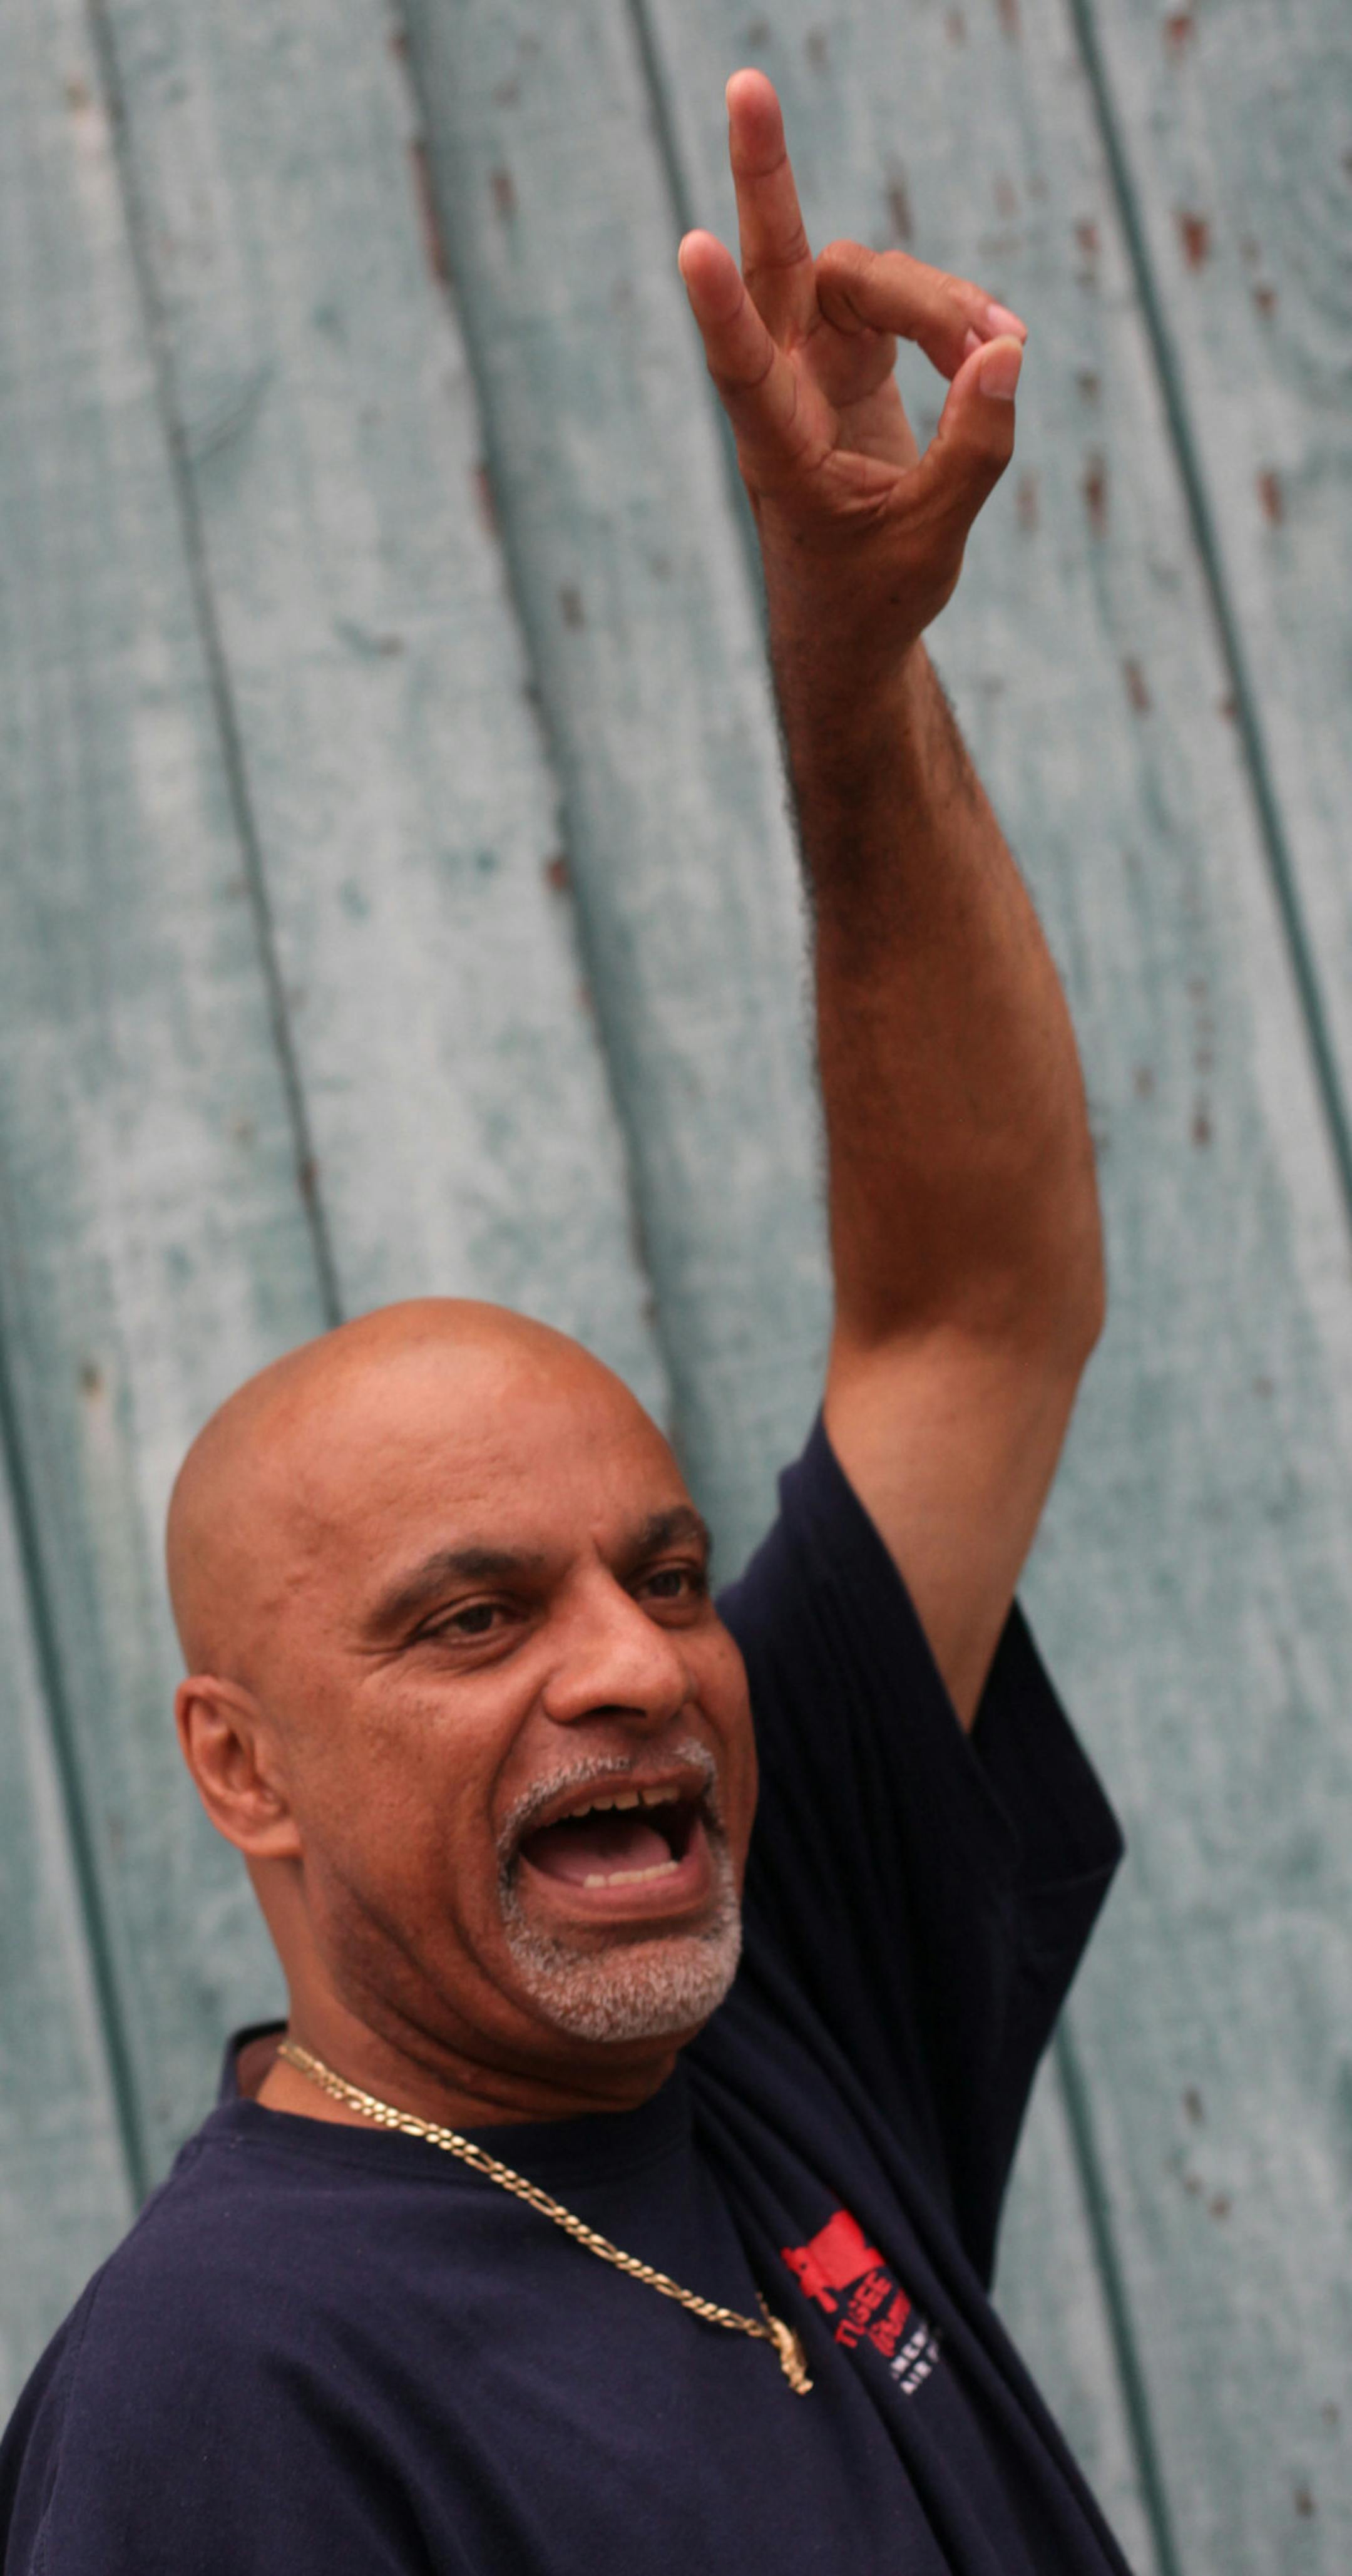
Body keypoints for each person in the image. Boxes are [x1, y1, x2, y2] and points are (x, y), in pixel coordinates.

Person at [0, 65, 1130, 2576]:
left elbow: (972, 1309)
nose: (633, 1666)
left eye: (668, 1571)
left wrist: (854, 681)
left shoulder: (761, 1985)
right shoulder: (219, 2407)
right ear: (242, 1764)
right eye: (473, 1617)